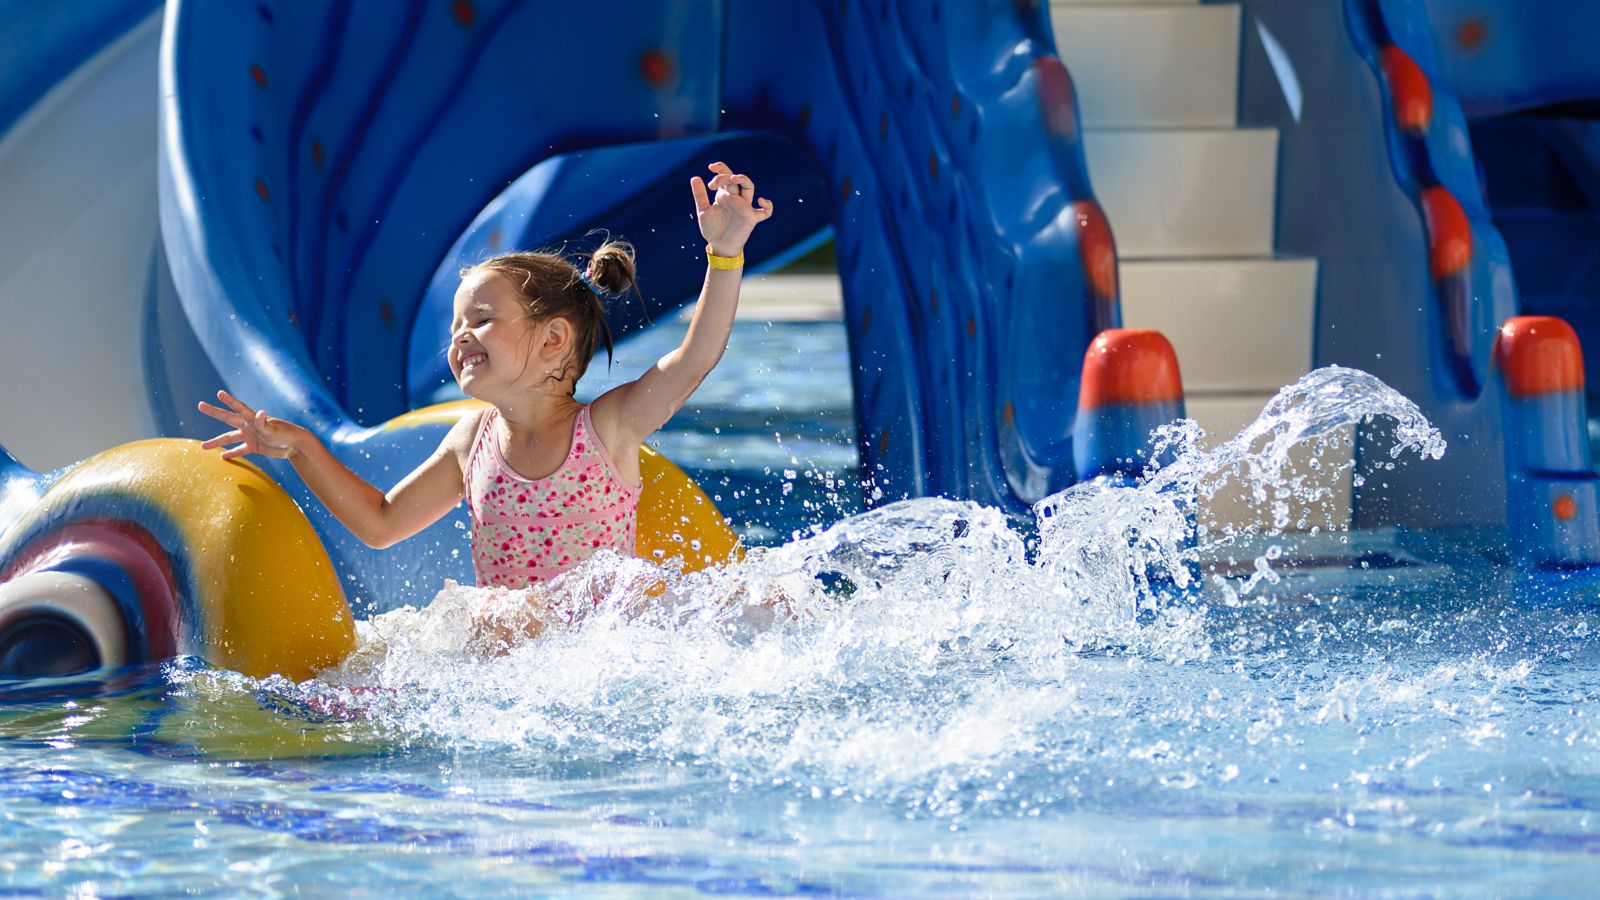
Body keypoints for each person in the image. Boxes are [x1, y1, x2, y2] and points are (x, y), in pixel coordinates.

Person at [199, 161, 774, 646]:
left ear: (552, 341)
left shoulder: (608, 428)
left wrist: (724, 254)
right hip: (504, 667)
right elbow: (381, 524)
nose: (459, 336)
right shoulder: (471, 441)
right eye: (454, 326)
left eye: (481, 319)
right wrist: (302, 447)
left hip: (591, 663)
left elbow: (694, 358)